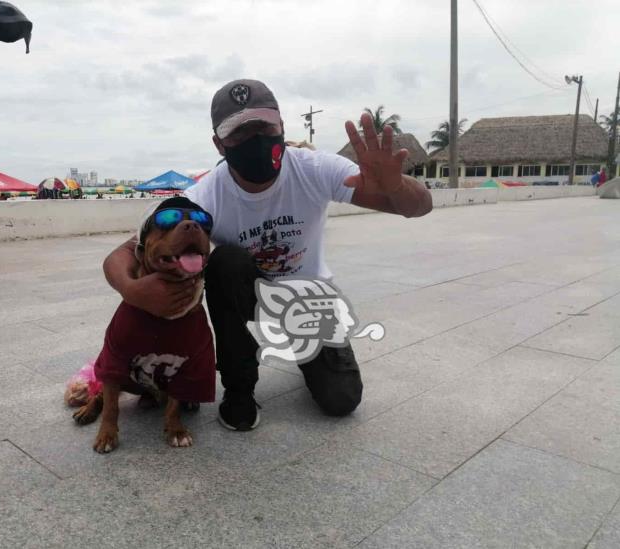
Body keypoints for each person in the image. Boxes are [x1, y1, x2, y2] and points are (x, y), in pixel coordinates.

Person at [103, 78, 432, 431]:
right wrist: (132, 291)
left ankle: (305, 350)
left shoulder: (315, 169)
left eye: (263, 126)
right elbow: (123, 254)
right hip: (251, 299)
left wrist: (396, 185)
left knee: (341, 400)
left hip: (309, 302)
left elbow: (419, 207)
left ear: (281, 126)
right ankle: (239, 390)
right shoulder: (206, 197)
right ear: (219, 144)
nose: (255, 139)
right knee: (226, 262)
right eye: (239, 133)